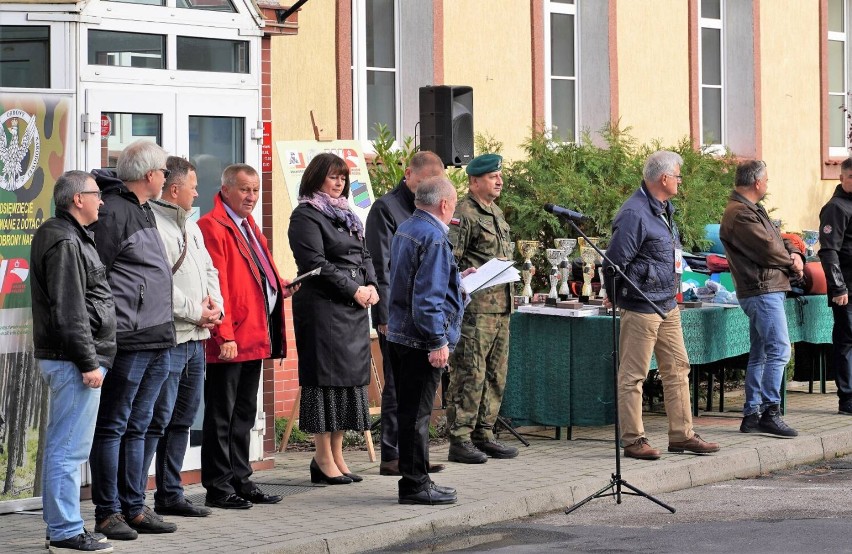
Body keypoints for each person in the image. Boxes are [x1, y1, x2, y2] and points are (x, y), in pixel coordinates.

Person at [604, 150, 721, 460]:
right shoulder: (635, 213)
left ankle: (682, 435)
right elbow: (614, 263)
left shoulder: (664, 208)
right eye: (678, 176)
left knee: (678, 368)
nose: (680, 181)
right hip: (641, 305)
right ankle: (633, 440)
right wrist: (620, 299)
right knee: (634, 375)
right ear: (664, 178)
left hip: (667, 304)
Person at [89, 141, 178, 539]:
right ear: (149, 176)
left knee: (139, 425)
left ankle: (134, 507)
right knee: (114, 426)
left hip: (157, 336)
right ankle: (108, 512)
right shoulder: (114, 212)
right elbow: (95, 278)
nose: (166, 178)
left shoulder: (142, 209)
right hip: (129, 339)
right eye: (163, 172)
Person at [198, 164, 294, 509]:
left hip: (254, 335)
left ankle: (241, 478)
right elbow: (216, 286)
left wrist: (280, 286)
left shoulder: (250, 227)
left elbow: (258, 272)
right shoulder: (212, 227)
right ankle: (218, 485)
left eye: (255, 190)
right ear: (225, 190)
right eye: (244, 190)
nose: (251, 197)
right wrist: (223, 335)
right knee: (221, 415)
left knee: (244, 414)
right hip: (231, 338)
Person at [32, 171, 116, 553]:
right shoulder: (65, 240)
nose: (101, 201)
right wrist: (87, 362)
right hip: (72, 360)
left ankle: (62, 528)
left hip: (72, 358)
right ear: (77, 199)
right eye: (96, 194)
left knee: (66, 447)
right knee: (68, 449)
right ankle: (66, 531)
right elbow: (69, 311)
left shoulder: (69, 236)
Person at [288, 153, 378, 485]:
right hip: (324, 308)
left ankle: (338, 455)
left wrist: (371, 285)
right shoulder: (305, 216)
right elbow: (317, 264)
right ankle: (322, 457)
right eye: (332, 177)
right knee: (325, 382)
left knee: (347, 383)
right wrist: (354, 289)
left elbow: (364, 254)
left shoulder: (346, 214)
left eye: (343, 177)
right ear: (315, 179)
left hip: (353, 308)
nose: (339, 183)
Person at [147, 156, 224, 517]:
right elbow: (158, 285)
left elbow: (209, 268)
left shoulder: (190, 226)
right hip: (173, 338)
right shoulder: (154, 226)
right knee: (158, 419)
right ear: (174, 189)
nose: (197, 192)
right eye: (193, 186)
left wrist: (215, 307)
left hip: (197, 337)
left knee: (183, 419)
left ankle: (170, 494)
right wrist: (197, 311)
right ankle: (136, 499)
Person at [387, 176, 468, 505]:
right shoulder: (434, 237)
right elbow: (427, 299)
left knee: (408, 414)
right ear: (445, 204)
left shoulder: (407, 227)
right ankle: (416, 484)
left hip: (401, 334)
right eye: (454, 203)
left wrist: (458, 282)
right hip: (422, 339)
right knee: (418, 416)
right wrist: (437, 342)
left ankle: (414, 480)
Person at [365, 150, 447, 477]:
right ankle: (392, 455)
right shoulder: (386, 208)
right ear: (409, 174)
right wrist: (383, 316)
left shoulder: (428, 208)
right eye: (427, 181)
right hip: (397, 316)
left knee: (418, 395)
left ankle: (416, 457)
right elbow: (379, 264)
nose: (431, 188)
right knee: (397, 388)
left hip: (423, 318)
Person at [719, 160, 802, 437]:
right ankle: (769, 411)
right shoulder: (741, 213)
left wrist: (794, 251)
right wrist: (793, 263)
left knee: (762, 353)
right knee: (779, 350)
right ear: (756, 183)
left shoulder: (750, 209)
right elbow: (768, 249)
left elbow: (778, 238)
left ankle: (752, 414)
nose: (767, 184)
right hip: (762, 289)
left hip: (764, 288)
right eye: (766, 180)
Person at [445, 153, 518, 464]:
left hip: (501, 307)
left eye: (499, 176)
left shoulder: (496, 212)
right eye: (492, 177)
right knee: (470, 372)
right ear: (474, 181)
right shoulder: (463, 213)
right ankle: (459, 437)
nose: (499, 181)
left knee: (495, 374)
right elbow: (450, 260)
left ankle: (483, 433)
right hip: (475, 310)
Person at [819, 157, 852, 415]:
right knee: (847, 341)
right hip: (847, 288)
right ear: (842, 178)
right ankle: (848, 399)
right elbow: (829, 251)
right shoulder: (836, 207)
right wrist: (838, 287)